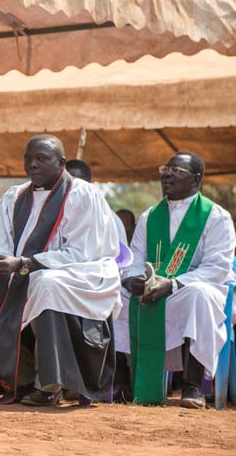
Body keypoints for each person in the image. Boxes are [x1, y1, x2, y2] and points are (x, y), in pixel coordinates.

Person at [0, 135, 121, 406]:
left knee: (46, 284)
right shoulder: (15, 196)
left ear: (61, 163)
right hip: (24, 269)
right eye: (28, 159)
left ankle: (49, 385)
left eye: (42, 159)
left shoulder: (82, 195)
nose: (33, 165)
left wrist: (24, 263)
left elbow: (82, 252)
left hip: (82, 272)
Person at [114, 152, 236, 409]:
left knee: (198, 295)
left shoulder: (216, 217)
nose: (167, 175)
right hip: (155, 288)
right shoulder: (150, 216)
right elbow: (135, 258)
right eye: (165, 169)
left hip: (193, 287)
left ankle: (193, 387)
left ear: (196, 179)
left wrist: (172, 284)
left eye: (177, 171)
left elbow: (216, 268)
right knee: (116, 296)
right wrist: (132, 280)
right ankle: (124, 382)